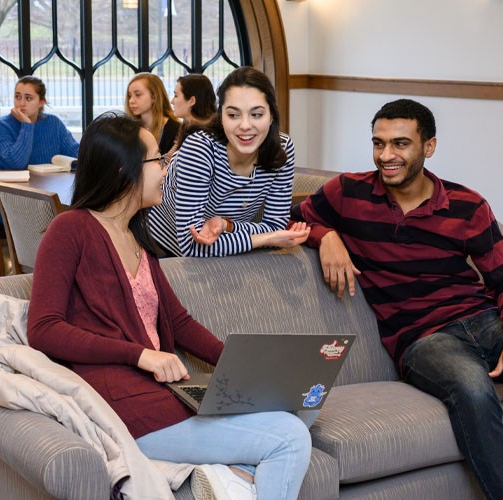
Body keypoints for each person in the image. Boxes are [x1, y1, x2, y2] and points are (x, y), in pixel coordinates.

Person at [290, 99, 503, 499]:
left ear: (429, 146)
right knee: (474, 393)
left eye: (400, 144)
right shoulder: (347, 192)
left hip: (486, 321)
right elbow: (292, 217)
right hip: (422, 339)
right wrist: (327, 236)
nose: (386, 155)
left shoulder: (467, 205)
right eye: (378, 143)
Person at [27, 112, 312, 500]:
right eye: (159, 161)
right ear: (124, 171)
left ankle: (234, 476)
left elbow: (178, 321)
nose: (166, 170)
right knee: (291, 437)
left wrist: (243, 365)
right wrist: (141, 355)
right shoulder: (71, 230)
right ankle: (232, 473)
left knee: (300, 399)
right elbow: (43, 328)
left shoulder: (137, 237)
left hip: (163, 394)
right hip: (126, 406)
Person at [148, 66, 310, 257]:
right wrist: (266, 238)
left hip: (223, 250)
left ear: (271, 116)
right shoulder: (199, 149)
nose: (245, 126)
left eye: (257, 114)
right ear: (221, 116)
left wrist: (228, 225)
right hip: (161, 247)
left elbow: (275, 225)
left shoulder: (281, 149)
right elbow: (191, 246)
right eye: (233, 115)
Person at [0, 75, 79, 170]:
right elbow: (16, 163)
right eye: (17, 97)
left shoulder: (53, 123)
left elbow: (77, 153)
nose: (21, 103)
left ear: (41, 102)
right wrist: (27, 125)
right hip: (7, 183)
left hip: (47, 183)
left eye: (28, 98)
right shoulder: (1, 125)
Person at [165, 73, 217, 165]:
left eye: (176, 96)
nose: (172, 101)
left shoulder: (199, 140)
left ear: (192, 101)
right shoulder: (188, 128)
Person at [125, 73, 180, 155]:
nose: (131, 101)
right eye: (129, 96)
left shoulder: (176, 130)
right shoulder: (129, 129)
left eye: (138, 95)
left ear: (154, 96)